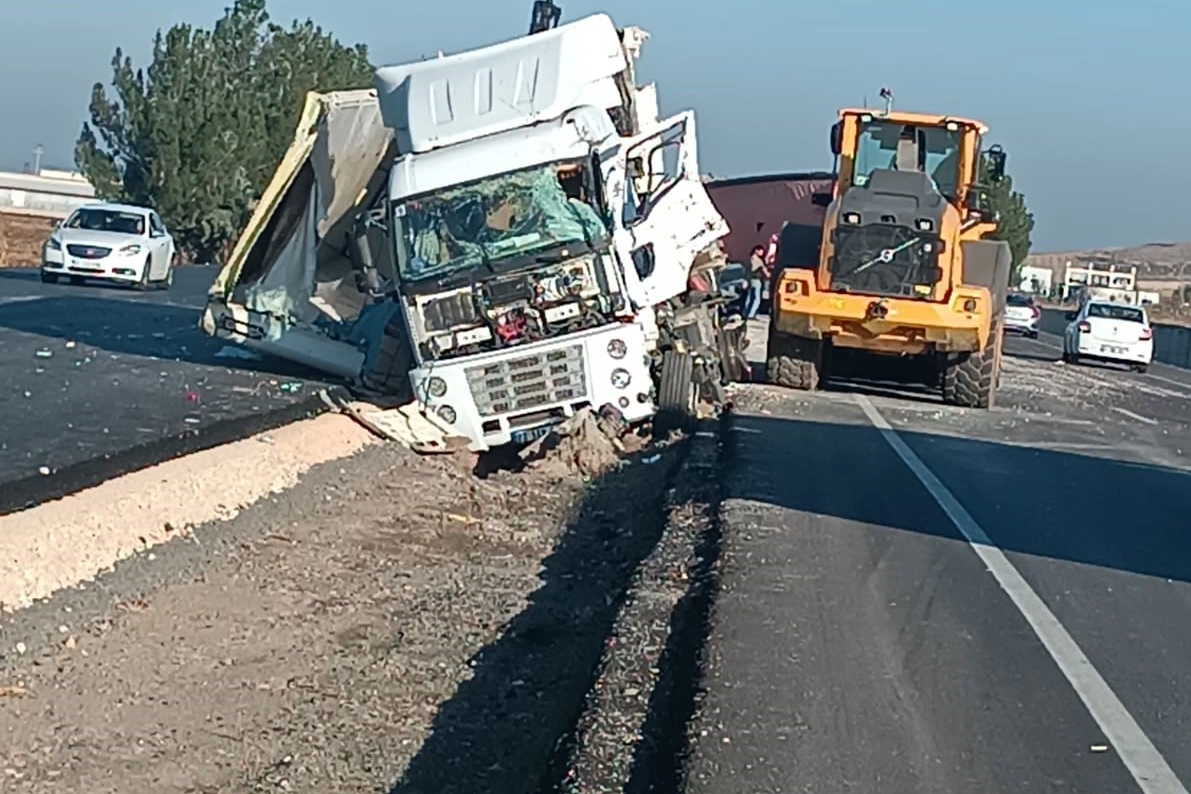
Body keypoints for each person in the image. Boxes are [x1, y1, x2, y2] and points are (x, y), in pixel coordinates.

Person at [744, 244, 767, 319]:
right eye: (761, 250)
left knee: (749, 297)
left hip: (751, 280)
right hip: (757, 280)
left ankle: (745, 313)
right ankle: (751, 314)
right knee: (757, 299)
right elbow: (766, 273)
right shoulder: (759, 261)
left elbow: (748, 270)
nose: (762, 252)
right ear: (756, 250)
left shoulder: (750, 259)